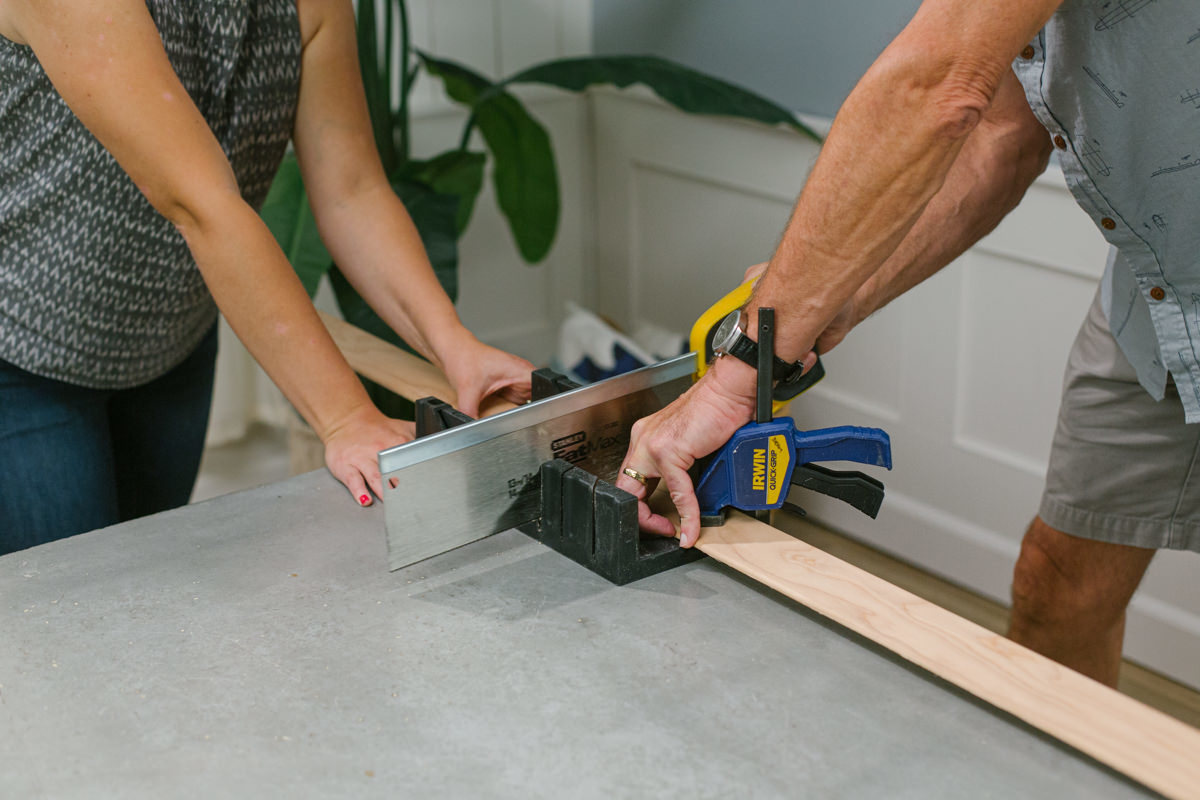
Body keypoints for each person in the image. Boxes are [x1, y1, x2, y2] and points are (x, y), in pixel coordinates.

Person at [617, 0, 1198, 688]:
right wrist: (842, 294)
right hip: (1157, 286)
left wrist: (732, 380)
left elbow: (940, 85)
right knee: (1057, 585)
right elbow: (1001, 139)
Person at [0, 0, 533, 556]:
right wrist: (346, 417)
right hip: (23, 353)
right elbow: (202, 203)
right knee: (72, 607)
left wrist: (453, 344)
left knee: (145, 583)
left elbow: (352, 190)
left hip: (169, 345)